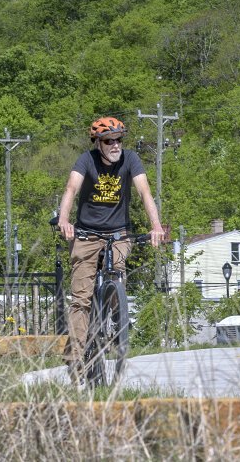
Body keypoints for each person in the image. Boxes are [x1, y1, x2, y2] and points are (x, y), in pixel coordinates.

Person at [57, 116, 165, 382]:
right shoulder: (86, 160)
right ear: (98, 143)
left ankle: (117, 320)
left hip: (118, 234)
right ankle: (76, 361)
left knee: (116, 273)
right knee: (81, 299)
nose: (115, 145)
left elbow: (145, 192)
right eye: (109, 141)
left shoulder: (130, 160)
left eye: (118, 140)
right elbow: (71, 188)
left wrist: (156, 226)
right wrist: (64, 220)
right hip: (86, 235)